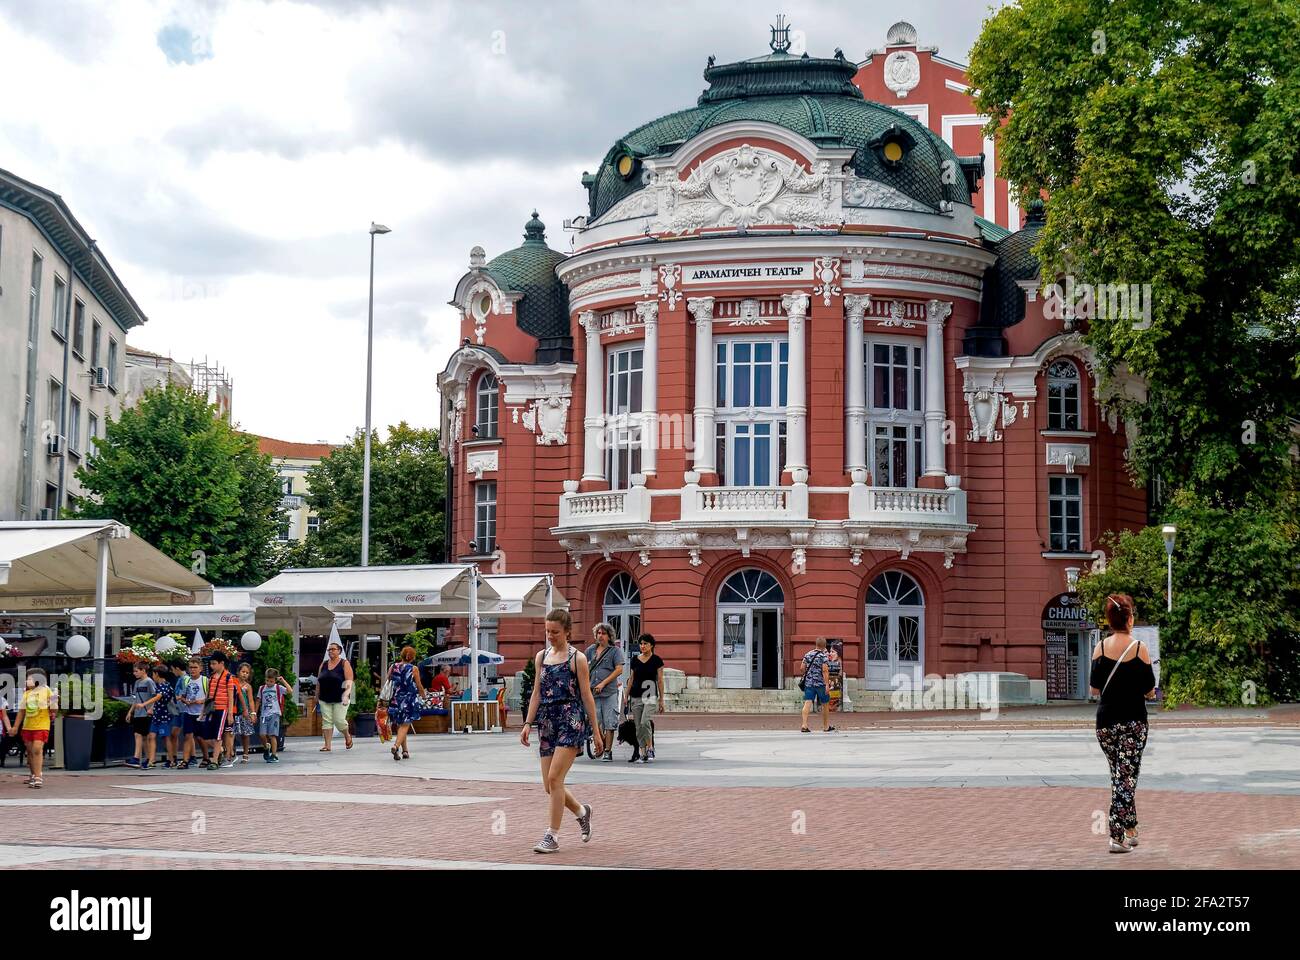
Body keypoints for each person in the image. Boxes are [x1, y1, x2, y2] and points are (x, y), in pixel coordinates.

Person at [520, 609, 603, 853]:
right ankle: (581, 811)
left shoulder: (577, 659)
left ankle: (551, 836)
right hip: (547, 721)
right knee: (549, 785)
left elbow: (587, 696)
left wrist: (596, 732)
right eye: (547, 631)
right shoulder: (541, 657)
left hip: (571, 719)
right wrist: (527, 723)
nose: (550, 636)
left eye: (555, 632)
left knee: (555, 779)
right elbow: (536, 692)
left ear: (567, 631)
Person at [1090, 593, 1156, 853]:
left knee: (1120, 776)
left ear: (1109, 619)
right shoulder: (1140, 649)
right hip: (1133, 722)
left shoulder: (1100, 648)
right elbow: (1150, 691)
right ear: (1129, 618)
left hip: (1105, 723)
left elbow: (1094, 690)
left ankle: (1131, 828)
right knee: (1126, 778)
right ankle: (1116, 837)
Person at [585, 622, 625, 762]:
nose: (600, 636)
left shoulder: (615, 651)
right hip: (593, 693)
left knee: (610, 722)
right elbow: (584, 668)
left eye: (603, 633)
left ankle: (607, 751)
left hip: (609, 692)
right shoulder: (590, 650)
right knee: (596, 722)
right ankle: (600, 746)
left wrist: (603, 683)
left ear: (609, 636)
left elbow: (619, 669)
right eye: (598, 633)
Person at [626, 634, 664, 763]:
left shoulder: (657, 660)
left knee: (644, 721)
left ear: (651, 645)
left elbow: (660, 680)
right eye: (641, 644)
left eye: (645, 644)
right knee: (638, 726)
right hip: (635, 695)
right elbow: (631, 679)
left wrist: (662, 700)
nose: (642, 646)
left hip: (650, 695)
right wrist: (626, 695)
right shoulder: (635, 660)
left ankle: (650, 747)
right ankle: (642, 752)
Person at [13, 669, 54, 788]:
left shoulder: (47, 691)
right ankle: (33, 774)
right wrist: (15, 726)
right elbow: (21, 712)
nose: (26, 681)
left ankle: (38, 777)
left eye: (29, 678)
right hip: (27, 726)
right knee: (30, 752)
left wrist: (54, 701)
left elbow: (54, 710)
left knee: (37, 749)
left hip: (41, 725)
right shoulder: (26, 694)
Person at [386, 645, 427, 761]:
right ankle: (396, 746)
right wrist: (423, 695)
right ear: (412, 657)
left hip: (396, 698)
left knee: (400, 725)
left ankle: (405, 751)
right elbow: (419, 685)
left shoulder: (393, 666)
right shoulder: (413, 668)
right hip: (409, 699)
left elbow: (388, 681)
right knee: (406, 724)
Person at [203, 650, 240, 770]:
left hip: (223, 709)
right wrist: (203, 711)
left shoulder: (228, 677)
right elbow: (208, 695)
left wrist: (230, 713)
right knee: (208, 735)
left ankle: (214, 760)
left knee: (218, 735)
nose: (211, 666)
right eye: (211, 664)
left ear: (221, 663)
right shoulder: (212, 677)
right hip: (212, 709)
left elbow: (230, 696)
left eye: (214, 663)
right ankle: (222, 751)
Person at [316, 639, 354, 751]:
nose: (330, 651)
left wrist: (347, 695)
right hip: (324, 697)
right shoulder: (323, 664)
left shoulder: (344, 663)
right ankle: (327, 745)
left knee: (339, 720)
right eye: (329, 649)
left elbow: (349, 680)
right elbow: (319, 680)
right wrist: (316, 695)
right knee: (327, 721)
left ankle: (347, 735)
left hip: (340, 697)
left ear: (339, 651)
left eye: (333, 649)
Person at [125, 661, 160, 769]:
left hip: (146, 713)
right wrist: (130, 711)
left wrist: (152, 708)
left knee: (141, 735)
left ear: (143, 670)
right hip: (138, 714)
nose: (134, 673)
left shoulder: (149, 682)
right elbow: (135, 699)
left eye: (136, 671)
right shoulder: (137, 683)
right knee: (142, 736)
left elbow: (155, 696)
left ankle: (138, 758)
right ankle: (147, 758)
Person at [257, 668, 291, 763]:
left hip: (274, 714)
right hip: (264, 714)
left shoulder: (277, 688)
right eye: (267, 680)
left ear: (275, 680)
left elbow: (290, 691)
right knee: (262, 734)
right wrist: (254, 713)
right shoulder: (262, 688)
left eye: (271, 681)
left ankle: (274, 754)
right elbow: (258, 700)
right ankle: (266, 747)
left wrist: (283, 681)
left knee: (272, 735)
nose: (269, 683)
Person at [177, 658, 207, 768]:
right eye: (191, 667)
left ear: (201, 669)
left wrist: (200, 701)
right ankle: (185, 760)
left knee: (200, 738)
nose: (192, 670)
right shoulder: (186, 680)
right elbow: (183, 695)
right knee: (188, 736)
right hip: (188, 712)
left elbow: (210, 697)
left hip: (200, 713)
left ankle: (206, 757)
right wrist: (185, 700)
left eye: (195, 667)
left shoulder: (205, 680)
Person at [799, 637, 832, 733]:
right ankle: (826, 727)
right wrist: (826, 684)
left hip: (809, 683)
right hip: (821, 683)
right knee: (825, 704)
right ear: (824, 646)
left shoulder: (808, 654)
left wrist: (808, 675)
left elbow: (802, 668)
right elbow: (825, 670)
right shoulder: (823, 656)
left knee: (807, 702)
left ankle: (804, 725)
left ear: (816, 644)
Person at [147, 664, 176, 769]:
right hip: (157, 715)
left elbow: (159, 697)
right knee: (152, 736)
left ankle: (171, 760)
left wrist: (144, 704)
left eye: (153, 674)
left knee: (166, 737)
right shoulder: (159, 686)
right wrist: (152, 708)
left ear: (157, 674)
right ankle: (151, 760)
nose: (152, 676)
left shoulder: (165, 686)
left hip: (164, 716)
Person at [230, 663, 257, 763]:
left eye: (247, 673)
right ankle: (231, 753)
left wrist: (253, 713)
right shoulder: (232, 682)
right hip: (234, 711)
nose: (245, 674)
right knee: (231, 733)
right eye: (243, 672)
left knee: (245, 734)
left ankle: (245, 754)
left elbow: (250, 700)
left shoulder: (248, 686)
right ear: (238, 672)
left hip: (244, 713)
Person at [164, 661, 186, 767]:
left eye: (172, 669)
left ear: (177, 668)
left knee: (189, 735)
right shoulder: (179, 679)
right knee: (174, 734)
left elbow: (183, 695)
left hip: (184, 710)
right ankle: (174, 756)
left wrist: (173, 698)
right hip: (178, 710)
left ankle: (191, 757)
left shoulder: (184, 679)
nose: (172, 672)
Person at [826, 639, 843, 724]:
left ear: (838, 653)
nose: (830, 654)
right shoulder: (831, 662)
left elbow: (839, 676)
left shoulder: (840, 664)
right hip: (831, 689)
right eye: (830, 651)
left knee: (833, 704)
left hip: (835, 689)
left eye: (832, 652)